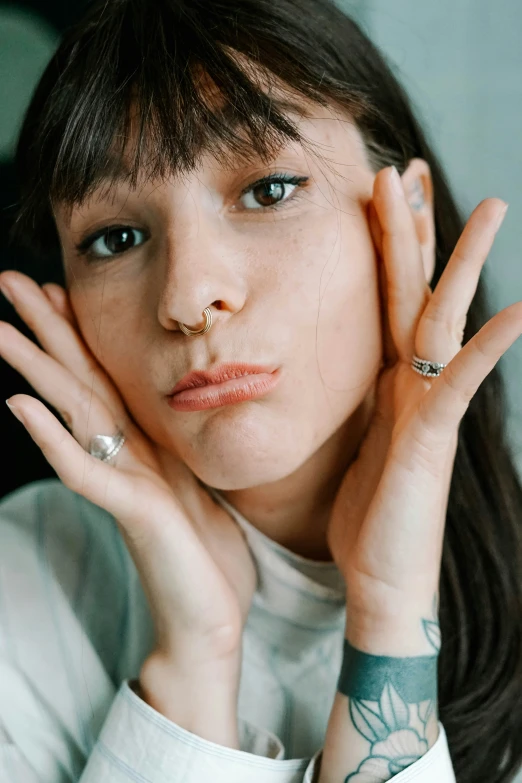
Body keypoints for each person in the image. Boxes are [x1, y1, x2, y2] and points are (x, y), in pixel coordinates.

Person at [1, 0, 521, 780]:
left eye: (269, 190)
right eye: (117, 238)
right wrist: (195, 658)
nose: (188, 295)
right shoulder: (24, 583)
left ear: (405, 217)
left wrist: (390, 612)